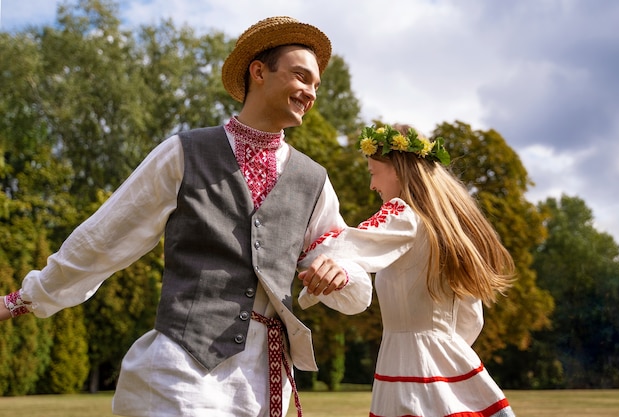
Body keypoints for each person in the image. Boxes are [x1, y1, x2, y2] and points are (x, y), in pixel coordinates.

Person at [0, 16, 372, 417]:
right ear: (259, 71)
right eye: (302, 77)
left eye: (317, 85)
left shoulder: (313, 180)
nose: (311, 92)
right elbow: (104, 238)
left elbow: (352, 282)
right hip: (182, 374)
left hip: (264, 384)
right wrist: (24, 299)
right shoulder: (183, 152)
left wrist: (341, 273)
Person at [297, 124, 517, 416]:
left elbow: (353, 245)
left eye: (373, 173)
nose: (372, 185)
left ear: (398, 171)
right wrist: (446, 353)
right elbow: (471, 319)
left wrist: (291, 246)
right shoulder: (444, 231)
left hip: (411, 366)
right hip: (452, 361)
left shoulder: (402, 214)